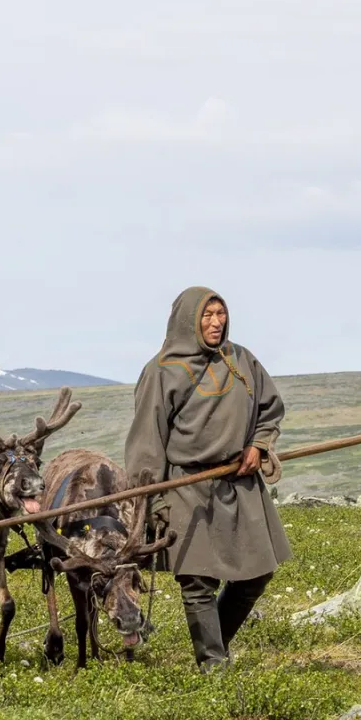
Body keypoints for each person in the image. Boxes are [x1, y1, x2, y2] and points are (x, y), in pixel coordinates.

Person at [125, 286, 290, 669]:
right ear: (188, 320)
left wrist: (259, 445)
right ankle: (213, 664)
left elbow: (270, 408)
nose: (217, 322)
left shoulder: (241, 360)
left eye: (221, 314)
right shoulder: (161, 372)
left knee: (256, 574)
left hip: (240, 479)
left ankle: (217, 646)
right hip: (186, 486)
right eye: (207, 315)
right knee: (197, 581)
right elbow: (146, 443)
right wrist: (152, 501)